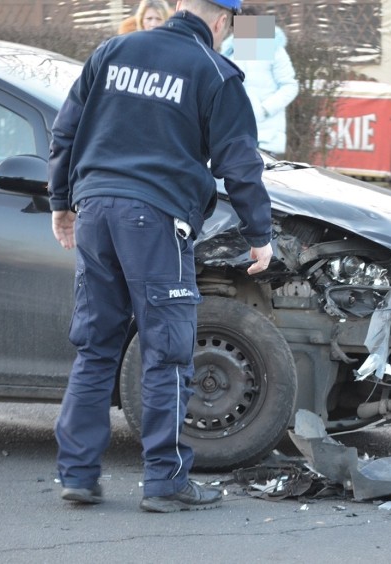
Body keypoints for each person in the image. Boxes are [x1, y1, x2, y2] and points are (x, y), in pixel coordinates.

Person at [48, 0, 274, 512]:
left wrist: (61, 202)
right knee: (167, 352)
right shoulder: (215, 71)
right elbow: (240, 161)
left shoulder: (114, 50)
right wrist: (260, 233)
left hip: (95, 211)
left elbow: (66, 131)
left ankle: (78, 475)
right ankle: (164, 482)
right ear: (222, 22)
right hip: (154, 219)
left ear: (176, 6)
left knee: (96, 346)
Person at [220, 6, 298, 157]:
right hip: (235, 134)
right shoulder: (229, 52)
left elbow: (290, 86)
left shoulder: (274, 50)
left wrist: (264, 110)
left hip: (266, 137)